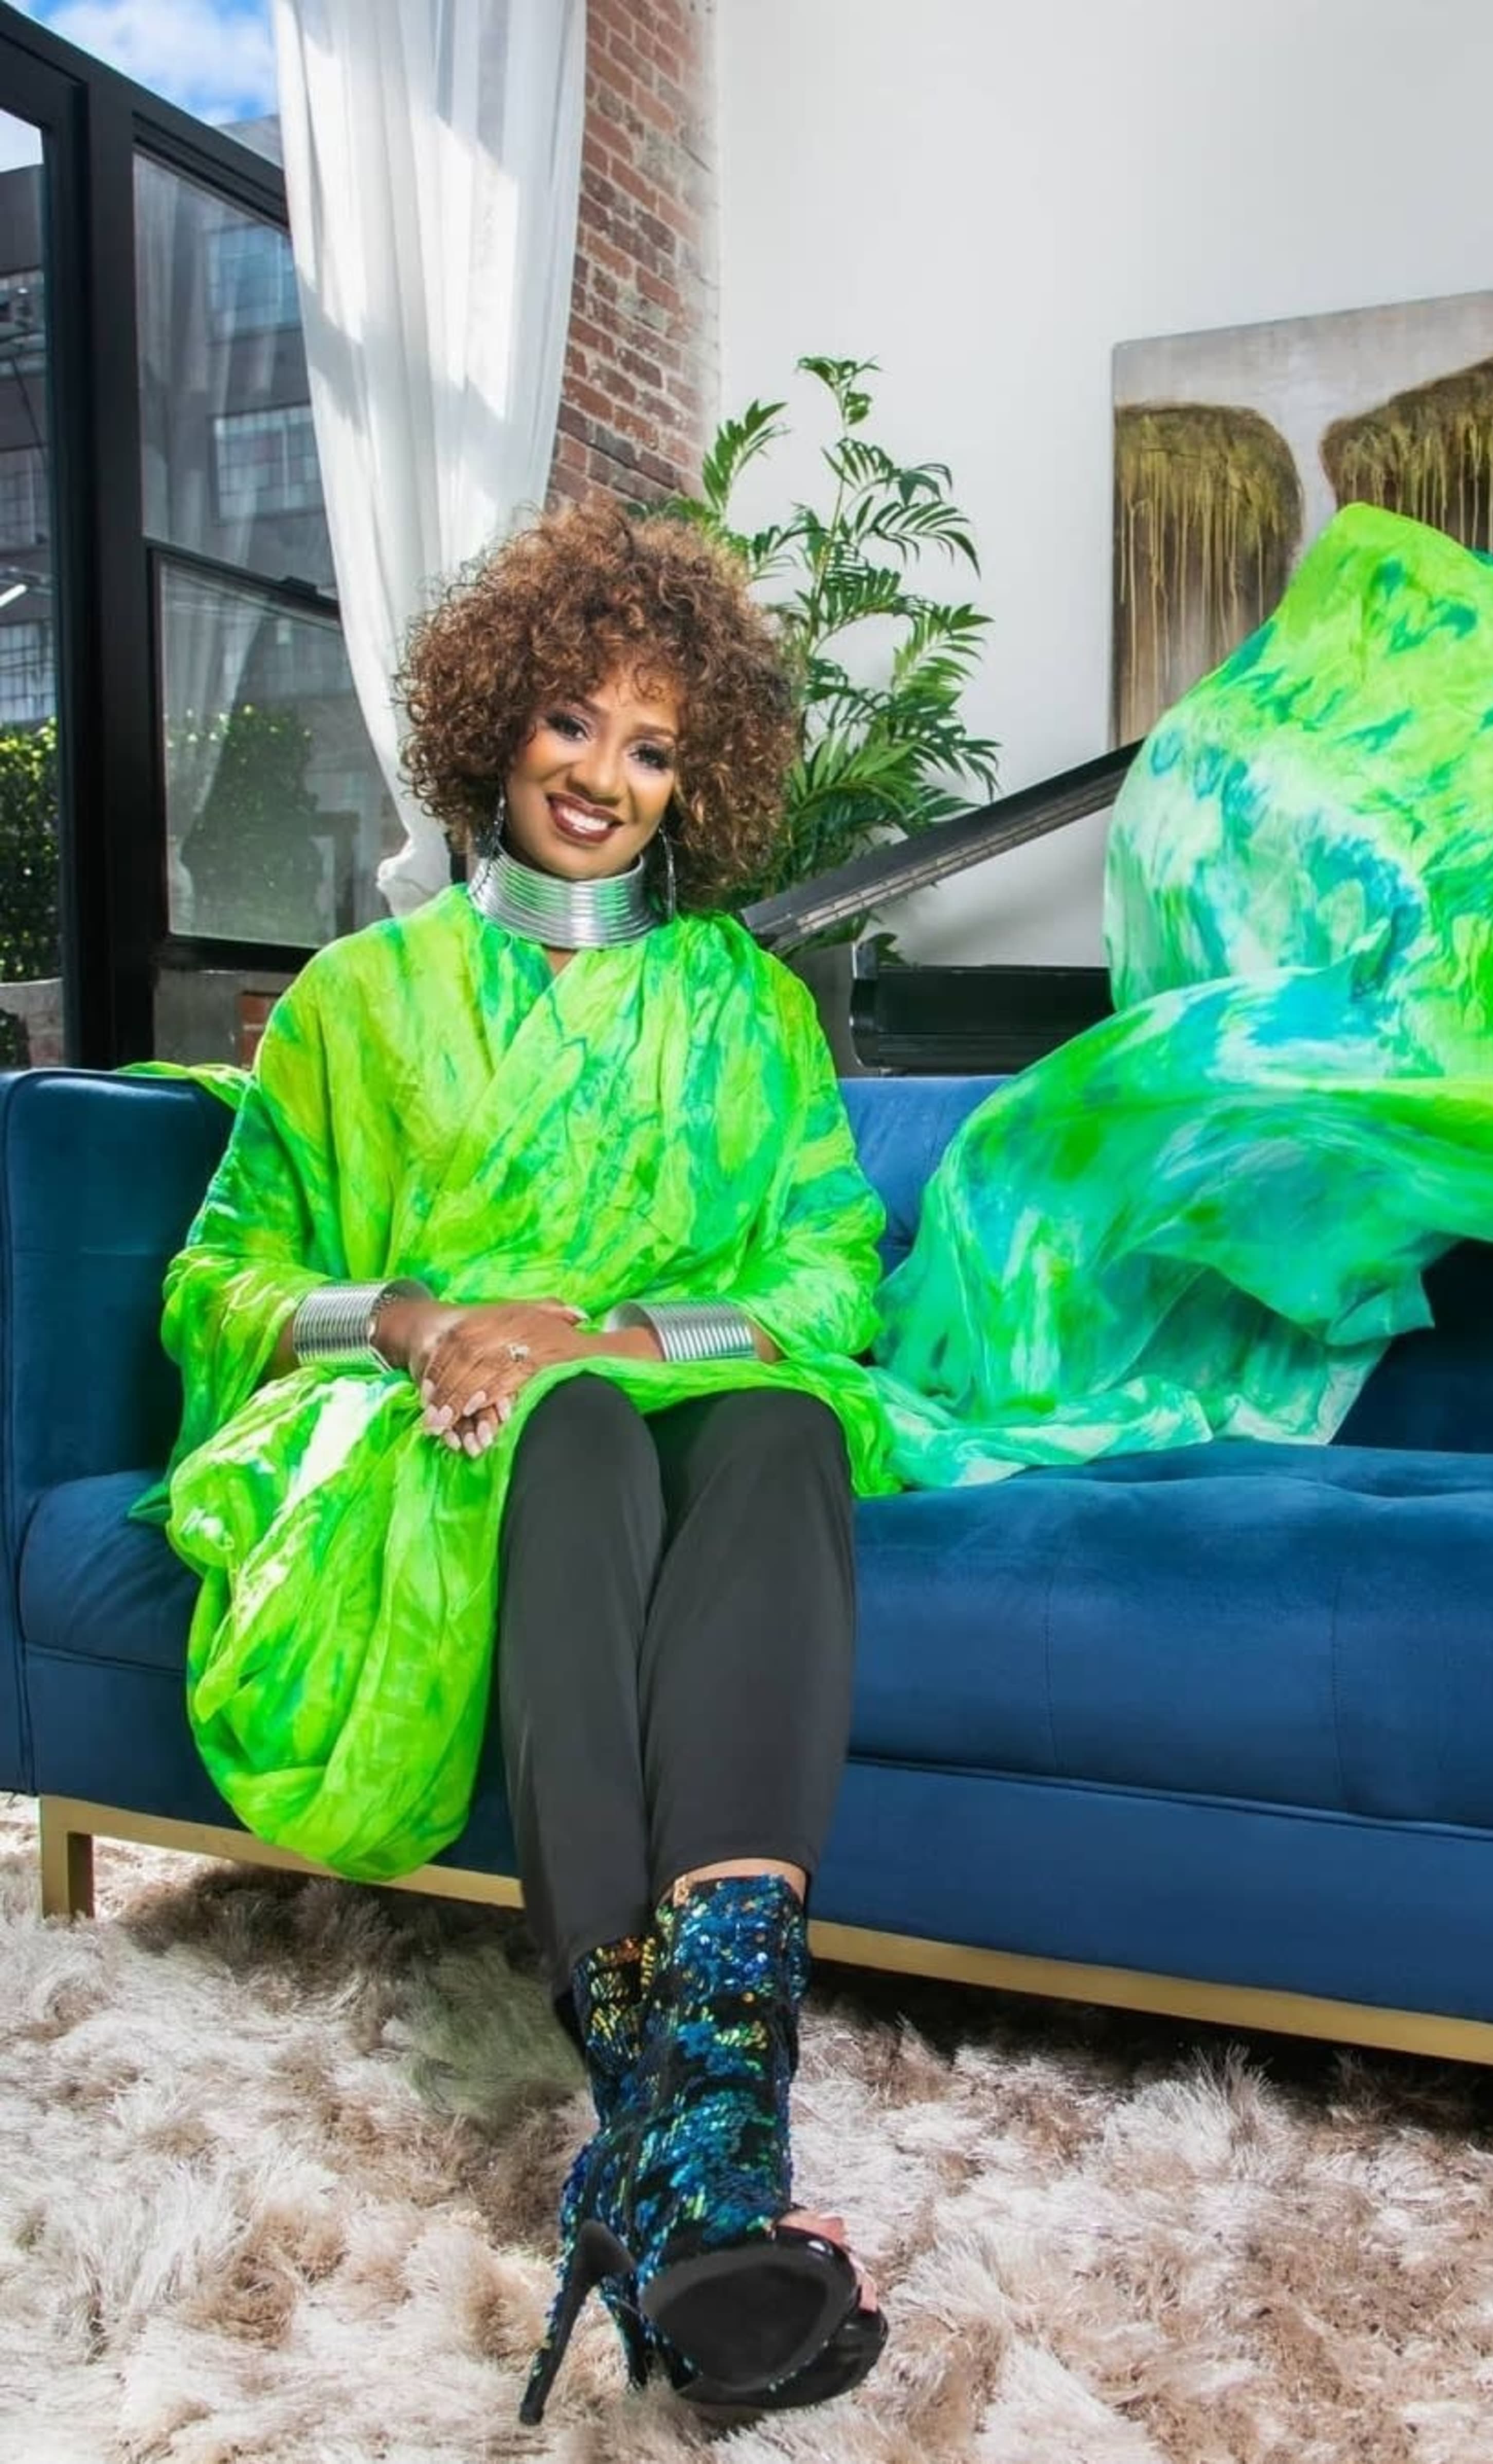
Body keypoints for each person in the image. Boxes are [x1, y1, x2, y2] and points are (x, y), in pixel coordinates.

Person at [149, 501, 889, 2419]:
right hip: (450, 1415)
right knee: (556, 1431)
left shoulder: (746, 1012)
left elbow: (820, 1276)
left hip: (669, 1384)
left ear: (695, 781)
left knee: (787, 1421)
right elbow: (228, 1277)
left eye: (654, 749)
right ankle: (689, 2143)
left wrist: (621, 1330)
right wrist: (417, 1322)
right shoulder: (358, 1003)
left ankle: (693, 2116)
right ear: (497, 725)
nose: (605, 780)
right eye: (574, 724)